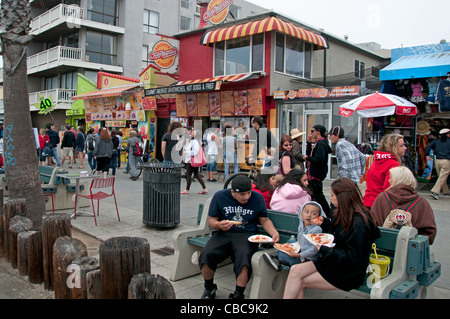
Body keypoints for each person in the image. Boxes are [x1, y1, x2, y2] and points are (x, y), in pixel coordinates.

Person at [283, 178, 380, 299]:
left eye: (333, 196)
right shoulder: (342, 212)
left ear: (342, 198)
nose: (331, 198)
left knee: (300, 280)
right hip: (332, 261)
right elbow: (339, 233)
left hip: (347, 271)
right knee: (295, 271)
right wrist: (324, 223)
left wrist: (324, 249)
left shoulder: (359, 222)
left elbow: (352, 258)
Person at [199, 175, 280, 299]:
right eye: (242, 194)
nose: (246, 197)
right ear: (233, 192)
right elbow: (211, 220)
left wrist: (273, 232)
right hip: (223, 233)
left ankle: (238, 294)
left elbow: (264, 220)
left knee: (244, 259)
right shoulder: (220, 196)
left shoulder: (257, 198)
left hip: (246, 235)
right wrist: (218, 225)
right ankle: (209, 288)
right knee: (206, 255)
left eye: (248, 193)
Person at [371, 166, 437, 244]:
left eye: (391, 178)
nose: (388, 180)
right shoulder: (421, 202)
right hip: (411, 251)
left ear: (396, 180)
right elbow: (430, 233)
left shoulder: (382, 198)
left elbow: (372, 225)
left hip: (383, 249)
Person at [263, 201, 325, 271]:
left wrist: (299, 255)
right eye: (306, 212)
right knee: (290, 241)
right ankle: (278, 258)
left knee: (284, 255)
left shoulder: (316, 230)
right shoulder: (302, 225)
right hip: (299, 250)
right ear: (301, 214)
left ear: (318, 218)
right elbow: (300, 240)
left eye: (313, 214)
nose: (309, 215)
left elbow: (315, 249)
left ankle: (278, 261)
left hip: (306, 259)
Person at [363, 133, 407, 209]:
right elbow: (390, 189)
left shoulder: (377, 160)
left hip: (368, 202)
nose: (405, 148)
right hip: (381, 206)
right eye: (401, 145)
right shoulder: (393, 164)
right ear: (393, 147)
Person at [304, 124, 332, 216]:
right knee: (313, 197)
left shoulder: (321, 144)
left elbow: (318, 159)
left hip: (315, 175)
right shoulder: (318, 143)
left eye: (312, 131)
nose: (311, 133)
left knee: (319, 197)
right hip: (313, 175)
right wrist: (308, 143)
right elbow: (312, 156)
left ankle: (330, 215)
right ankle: (313, 214)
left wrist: (307, 158)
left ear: (318, 132)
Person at [181, 127, 208, 195]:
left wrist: (187, 152)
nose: (191, 133)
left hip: (191, 160)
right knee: (196, 174)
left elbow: (195, 152)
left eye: (193, 132)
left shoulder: (194, 141)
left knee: (188, 174)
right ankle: (204, 188)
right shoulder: (196, 141)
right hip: (194, 160)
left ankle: (187, 190)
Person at [426, 128, 450, 200]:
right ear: (447, 134)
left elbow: (428, 147)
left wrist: (427, 155)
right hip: (446, 161)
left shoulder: (436, 141)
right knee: (442, 177)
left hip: (437, 161)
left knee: (441, 176)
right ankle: (435, 192)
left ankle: (445, 191)